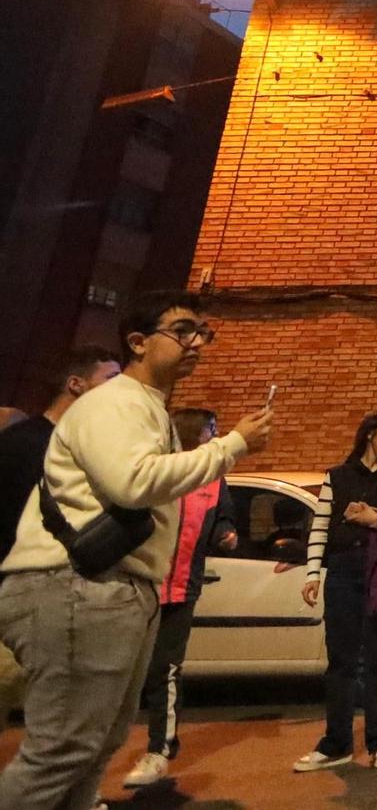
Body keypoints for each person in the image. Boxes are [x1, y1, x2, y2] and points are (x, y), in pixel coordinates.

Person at [0, 292, 271, 810]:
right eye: (184, 330)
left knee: (95, 745)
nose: (197, 342)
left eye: (203, 334)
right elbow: (133, 482)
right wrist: (231, 444)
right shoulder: (117, 400)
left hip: (112, 588)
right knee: (63, 749)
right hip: (79, 584)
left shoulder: (148, 409)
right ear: (139, 342)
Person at [294, 412, 377, 773]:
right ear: (370, 434)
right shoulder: (337, 477)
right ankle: (336, 744)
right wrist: (312, 575)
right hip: (342, 575)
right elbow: (320, 526)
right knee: (341, 664)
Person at [122, 409, 241, 789]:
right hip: (140, 586)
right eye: (212, 429)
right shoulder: (157, 471)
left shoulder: (214, 480)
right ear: (194, 432)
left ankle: (160, 748)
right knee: (119, 673)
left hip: (183, 589)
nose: (216, 436)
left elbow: (223, 518)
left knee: (165, 670)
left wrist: (226, 533)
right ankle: (93, 755)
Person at [0, 346, 123, 571]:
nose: (122, 390)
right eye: (113, 379)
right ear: (75, 384)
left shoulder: (84, 446)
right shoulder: (25, 441)